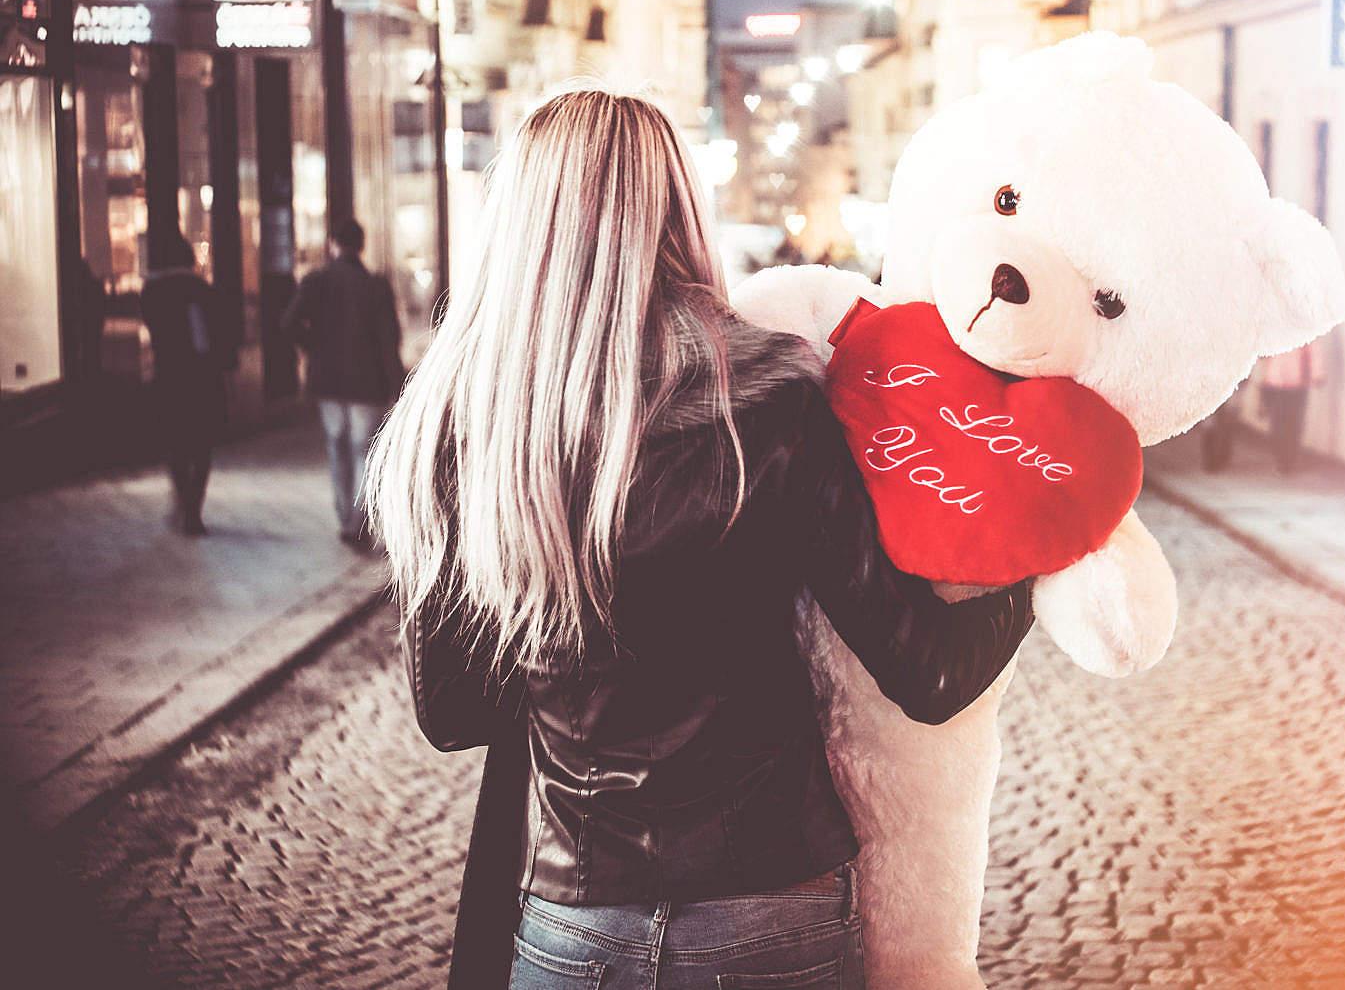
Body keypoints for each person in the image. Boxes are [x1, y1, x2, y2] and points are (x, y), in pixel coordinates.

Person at [364, 89, 1036, 990]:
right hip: (769, 908)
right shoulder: (770, 395)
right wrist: (1034, 552)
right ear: (680, 210)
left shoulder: (466, 420)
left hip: (577, 920)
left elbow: (454, 713)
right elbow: (928, 672)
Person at [283, 217, 405, 546]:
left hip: (328, 382)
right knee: (364, 451)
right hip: (368, 383)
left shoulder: (316, 281)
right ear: (361, 246)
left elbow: (289, 323)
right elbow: (389, 340)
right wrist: (397, 386)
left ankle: (344, 517)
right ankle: (357, 520)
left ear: (332, 244)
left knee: (337, 447)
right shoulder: (375, 286)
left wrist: (314, 348)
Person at [140, 237, 234, 536]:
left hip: (168, 377)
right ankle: (194, 509)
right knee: (202, 446)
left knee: (175, 444)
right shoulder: (202, 290)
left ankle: (184, 500)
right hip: (202, 378)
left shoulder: (152, 292)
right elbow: (216, 336)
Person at [1258, 341, 1324, 474]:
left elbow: (1314, 351)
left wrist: (1318, 374)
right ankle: (1281, 458)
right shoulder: (1276, 332)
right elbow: (1264, 351)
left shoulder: (1304, 331)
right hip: (1274, 382)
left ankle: (1288, 460)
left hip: (1297, 384)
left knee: (1293, 423)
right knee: (1277, 423)